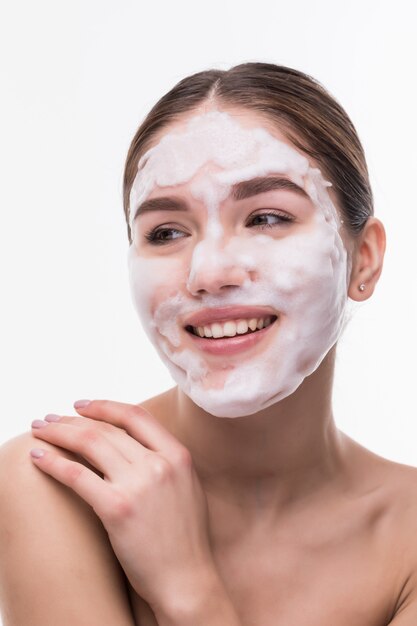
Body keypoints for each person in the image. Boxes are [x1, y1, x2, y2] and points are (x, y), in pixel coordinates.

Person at [0, 62, 414, 626]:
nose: (208, 271)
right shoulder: (61, 482)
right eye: (166, 232)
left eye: (266, 217)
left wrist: (186, 588)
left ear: (363, 259)